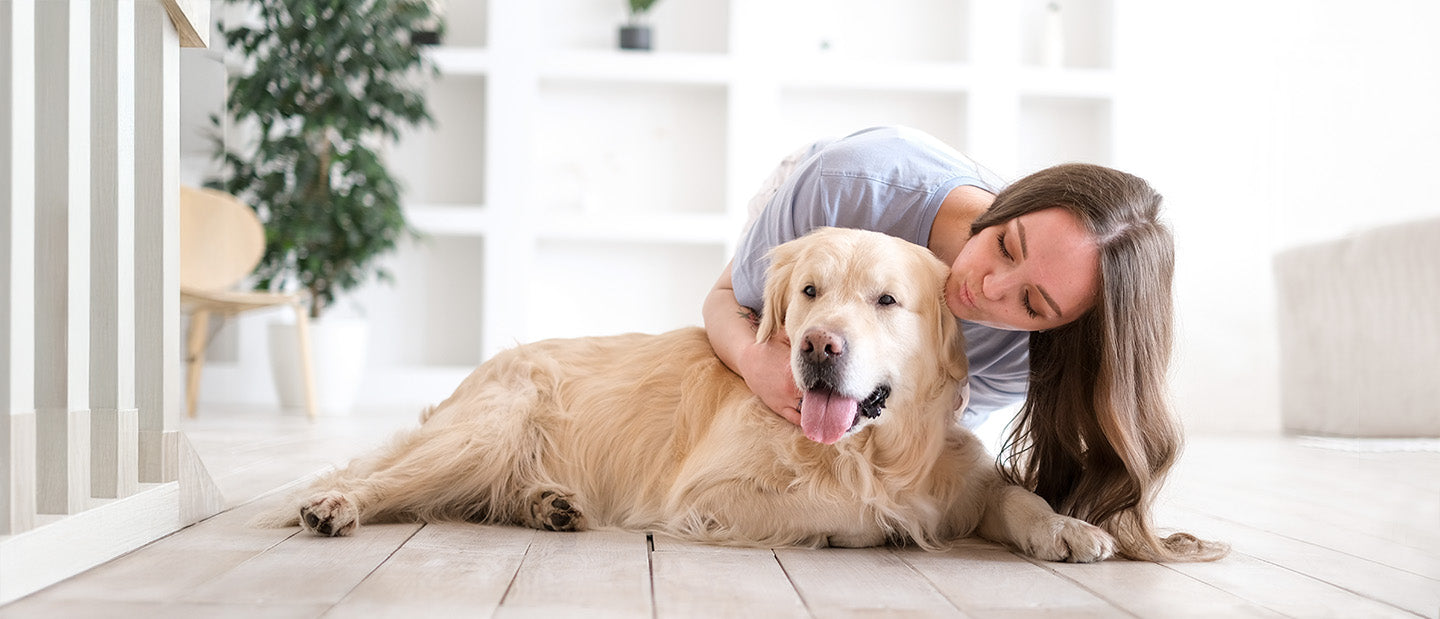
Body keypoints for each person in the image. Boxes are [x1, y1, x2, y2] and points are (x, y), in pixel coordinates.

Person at [703, 126, 1226, 562]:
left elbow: (923, 448)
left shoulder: (1023, 356)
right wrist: (754, 359)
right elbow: (725, 298)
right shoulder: (848, 186)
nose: (989, 288)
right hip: (829, 183)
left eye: (1031, 303)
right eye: (1005, 245)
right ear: (1011, 200)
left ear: (1055, 327)